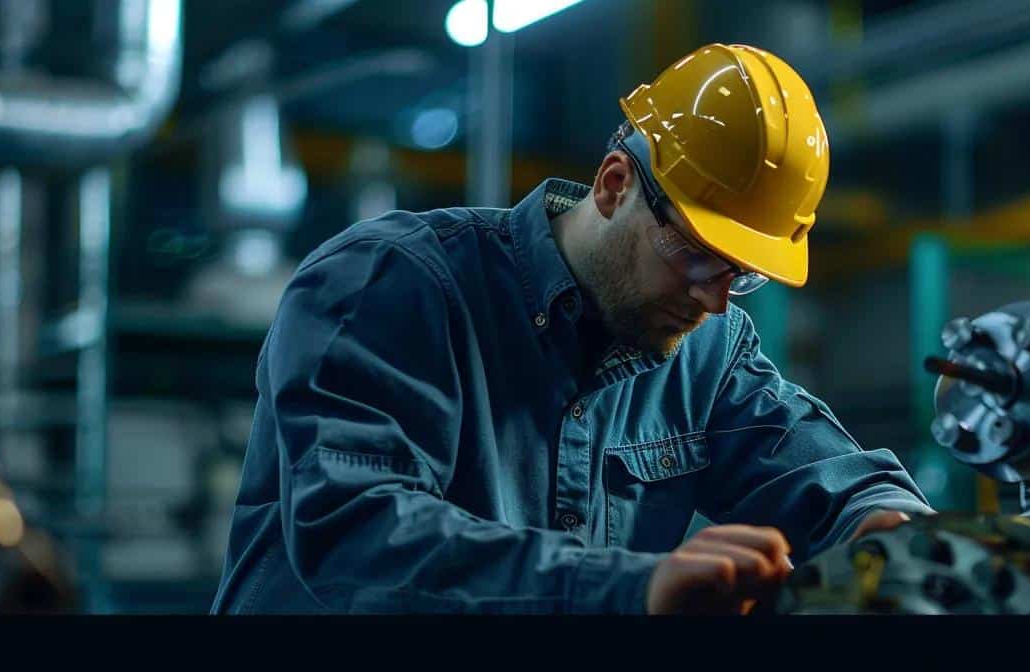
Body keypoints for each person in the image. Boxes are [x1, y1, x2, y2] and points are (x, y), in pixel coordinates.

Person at [211, 43, 930, 615]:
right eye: (696, 257)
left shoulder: (705, 350)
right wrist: (630, 590)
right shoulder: (391, 284)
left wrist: (904, 539)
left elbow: (821, 475)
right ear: (616, 184)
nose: (714, 300)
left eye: (742, 275)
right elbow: (356, 537)